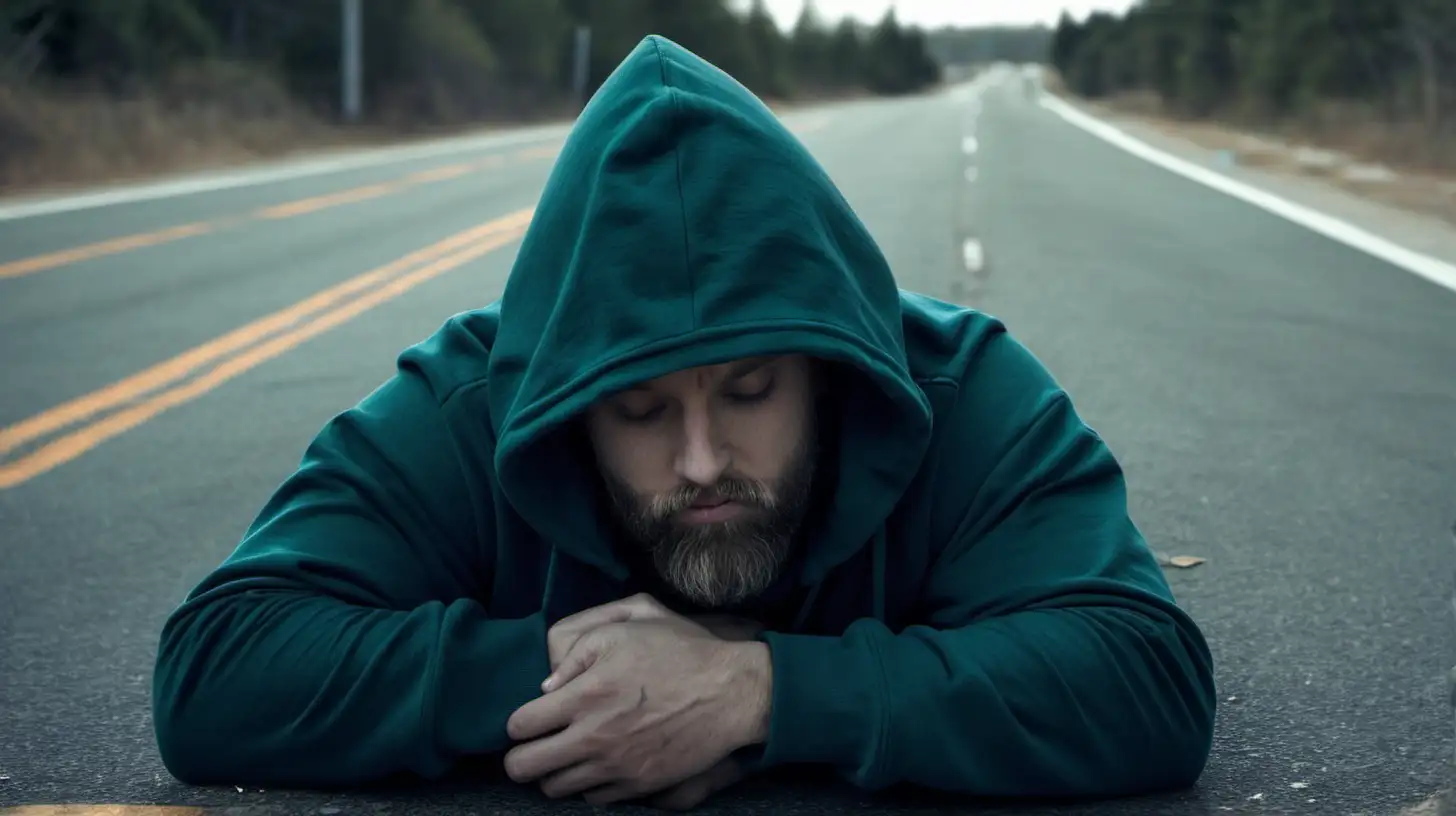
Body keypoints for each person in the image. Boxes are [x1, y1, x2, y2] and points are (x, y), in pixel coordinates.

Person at [151, 35, 1216, 810]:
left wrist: (762, 692)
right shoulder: (473, 405)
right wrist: (580, 680)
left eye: (750, 393)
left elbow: (1142, 675)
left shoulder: (957, 388)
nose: (701, 460)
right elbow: (219, 666)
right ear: (571, 403)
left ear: (824, 370)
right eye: (639, 410)